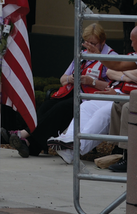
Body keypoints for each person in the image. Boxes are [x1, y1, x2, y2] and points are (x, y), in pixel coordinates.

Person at [49, 24, 137, 164]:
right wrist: (128, 74)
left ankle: (75, 148)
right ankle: (67, 141)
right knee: (86, 107)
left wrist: (125, 75)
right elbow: (112, 69)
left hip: (130, 97)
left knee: (103, 113)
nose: (131, 44)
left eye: (132, 41)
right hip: (115, 93)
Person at [7, 23, 116, 158]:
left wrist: (92, 81)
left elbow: (114, 86)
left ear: (102, 42)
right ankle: (30, 145)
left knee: (61, 108)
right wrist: (70, 79)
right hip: (72, 92)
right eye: (86, 43)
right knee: (48, 105)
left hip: (91, 99)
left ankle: (24, 134)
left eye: (93, 44)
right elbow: (62, 79)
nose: (89, 47)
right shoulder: (83, 55)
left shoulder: (111, 58)